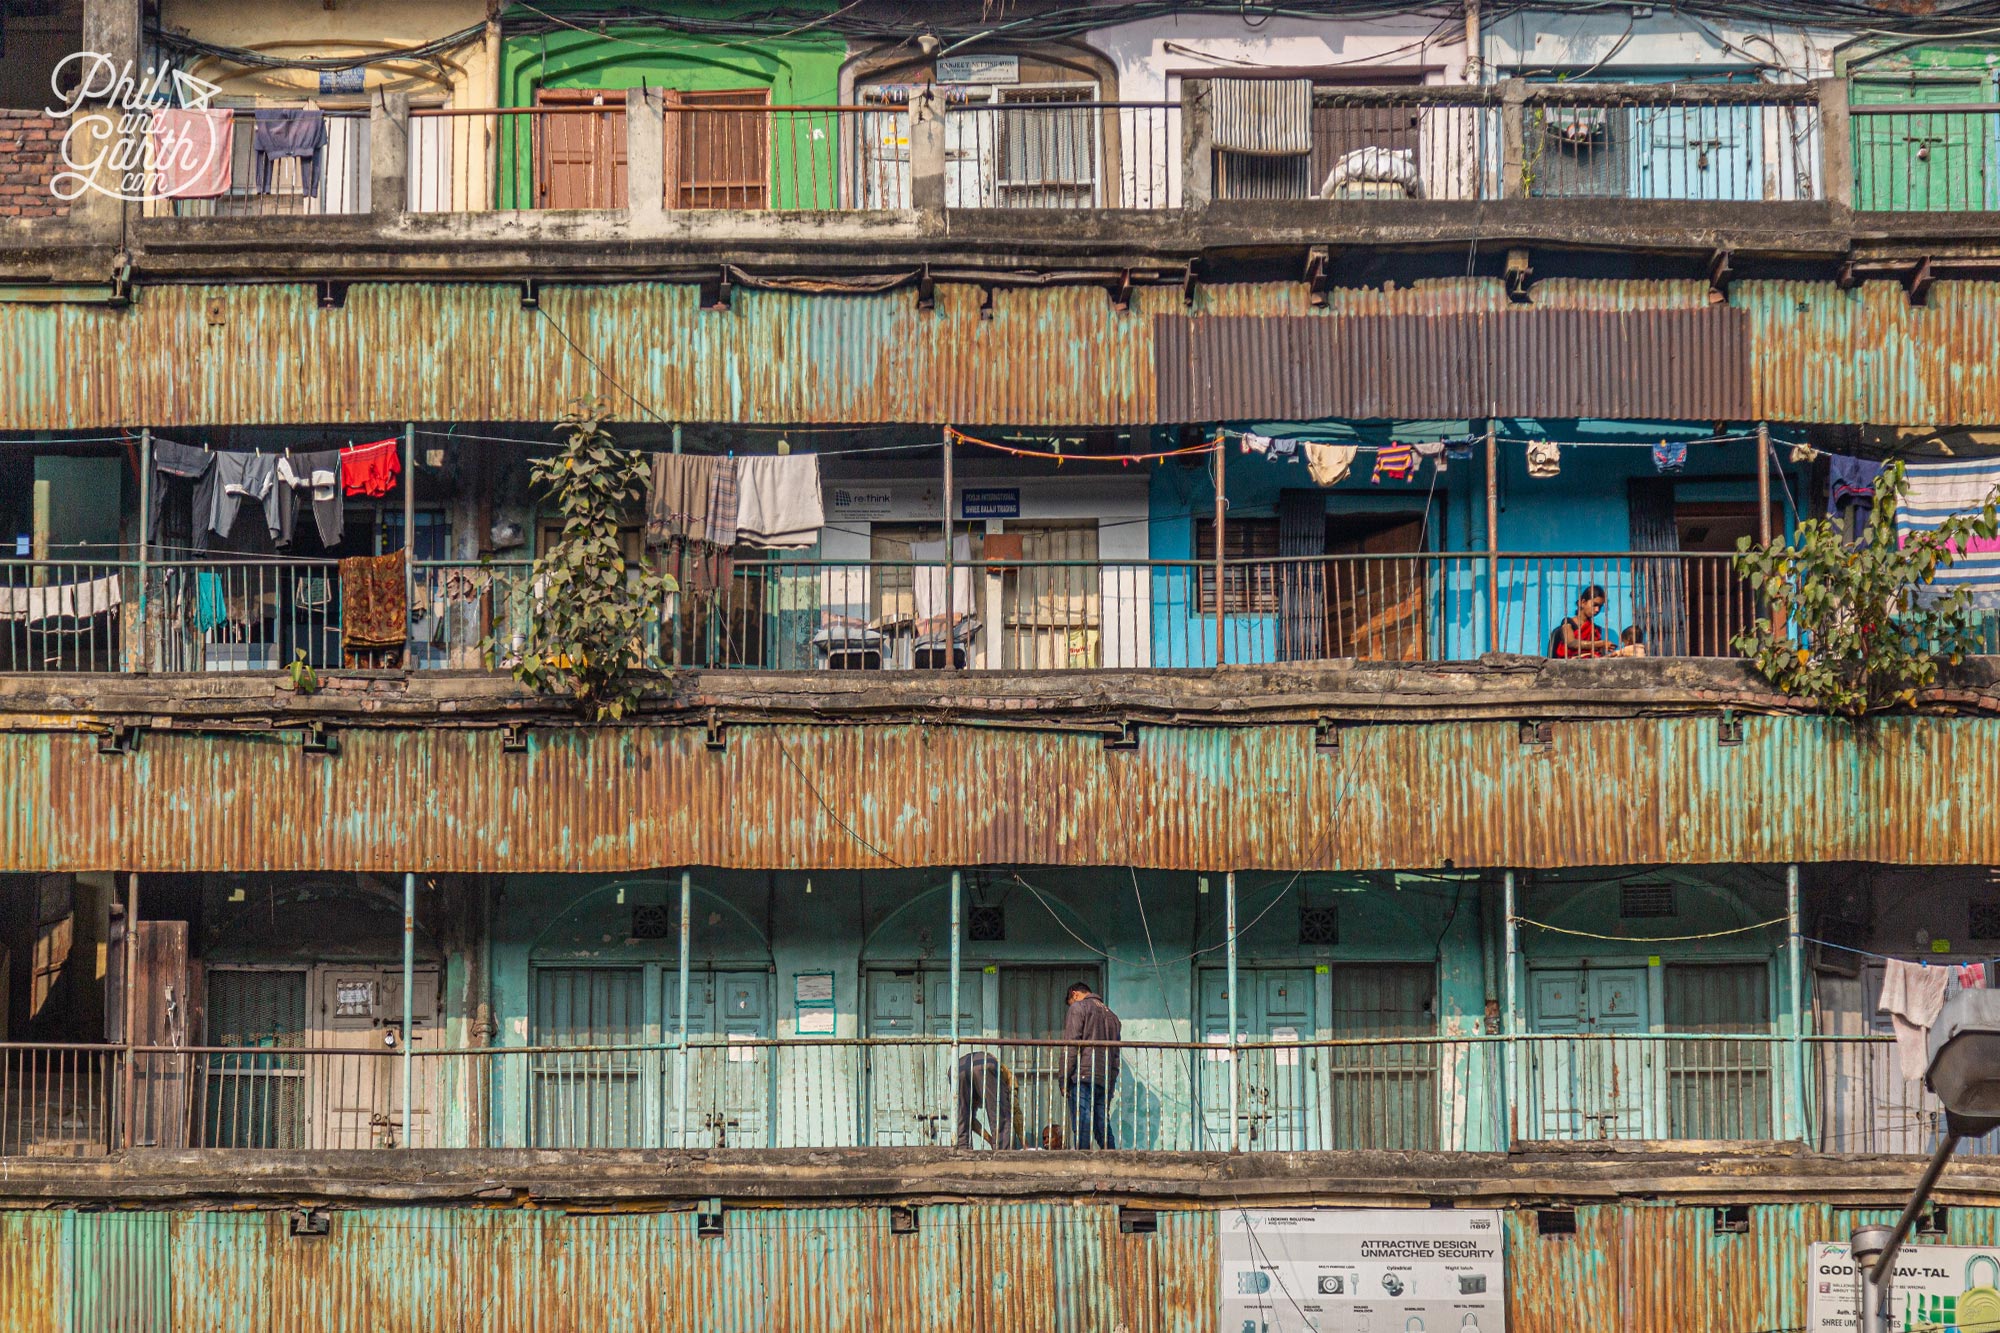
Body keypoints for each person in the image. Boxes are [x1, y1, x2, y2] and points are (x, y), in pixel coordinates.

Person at [1061, 981, 1122, 1149]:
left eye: (1071, 1002)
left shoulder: (1078, 1008)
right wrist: (1110, 1084)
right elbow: (1115, 1058)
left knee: (1082, 1120)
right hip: (1104, 1077)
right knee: (1101, 1121)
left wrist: (1063, 1078)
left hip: (1083, 1074)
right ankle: (1111, 1158)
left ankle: (1083, 1159)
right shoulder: (1113, 1017)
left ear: (1074, 994)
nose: (1071, 1006)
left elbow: (1071, 1044)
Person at [954, 1050, 1021, 1149]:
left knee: (962, 1117)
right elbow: (1015, 1112)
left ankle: (962, 1152)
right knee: (1001, 1116)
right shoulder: (1010, 1079)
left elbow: (970, 1119)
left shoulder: (975, 1089)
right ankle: (1004, 1153)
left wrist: (990, 1139)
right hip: (984, 1065)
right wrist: (1025, 1144)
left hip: (958, 1068)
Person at [1549, 585, 1616, 658]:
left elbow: (1598, 654)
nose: (1597, 610)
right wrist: (1601, 643)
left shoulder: (1595, 629)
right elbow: (1571, 643)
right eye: (1595, 605)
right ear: (1583, 602)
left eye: (1600, 607)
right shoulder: (1568, 622)